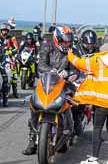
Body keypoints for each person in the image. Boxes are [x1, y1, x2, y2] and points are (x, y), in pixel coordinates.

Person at [67, 42, 108, 164]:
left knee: (97, 128)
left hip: (102, 102)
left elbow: (80, 63)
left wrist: (70, 55)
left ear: (103, 51)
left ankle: (94, 159)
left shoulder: (98, 60)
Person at [22, 26, 80, 155]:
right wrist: (51, 70)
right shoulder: (47, 47)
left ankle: (72, 130)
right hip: (46, 83)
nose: (68, 43)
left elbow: (77, 69)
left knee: (72, 103)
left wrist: (69, 73)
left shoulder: (73, 51)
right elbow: (41, 65)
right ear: (57, 39)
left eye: (69, 41)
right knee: (34, 104)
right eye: (65, 41)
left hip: (65, 84)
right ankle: (32, 141)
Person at [72, 29, 99, 136]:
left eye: (91, 44)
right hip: (79, 79)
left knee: (99, 107)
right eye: (87, 43)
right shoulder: (76, 50)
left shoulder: (98, 50)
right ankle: (77, 121)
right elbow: (71, 62)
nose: (89, 46)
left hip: (94, 80)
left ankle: (97, 132)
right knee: (75, 102)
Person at [0, 23, 19, 104]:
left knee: (8, 79)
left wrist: (11, 51)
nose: (4, 31)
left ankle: (5, 100)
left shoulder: (12, 38)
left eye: (5, 30)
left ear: (7, 31)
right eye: (3, 30)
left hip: (8, 60)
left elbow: (17, 47)